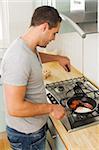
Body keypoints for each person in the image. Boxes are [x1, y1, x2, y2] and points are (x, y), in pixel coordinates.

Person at [1, 6, 71, 150]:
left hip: (32, 132)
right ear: (45, 27)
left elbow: (33, 59)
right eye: (54, 33)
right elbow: (15, 108)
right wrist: (51, 108)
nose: (54, 38)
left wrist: (58, 58)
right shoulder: (18, 58)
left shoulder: (27, 47)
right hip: (27, 137)